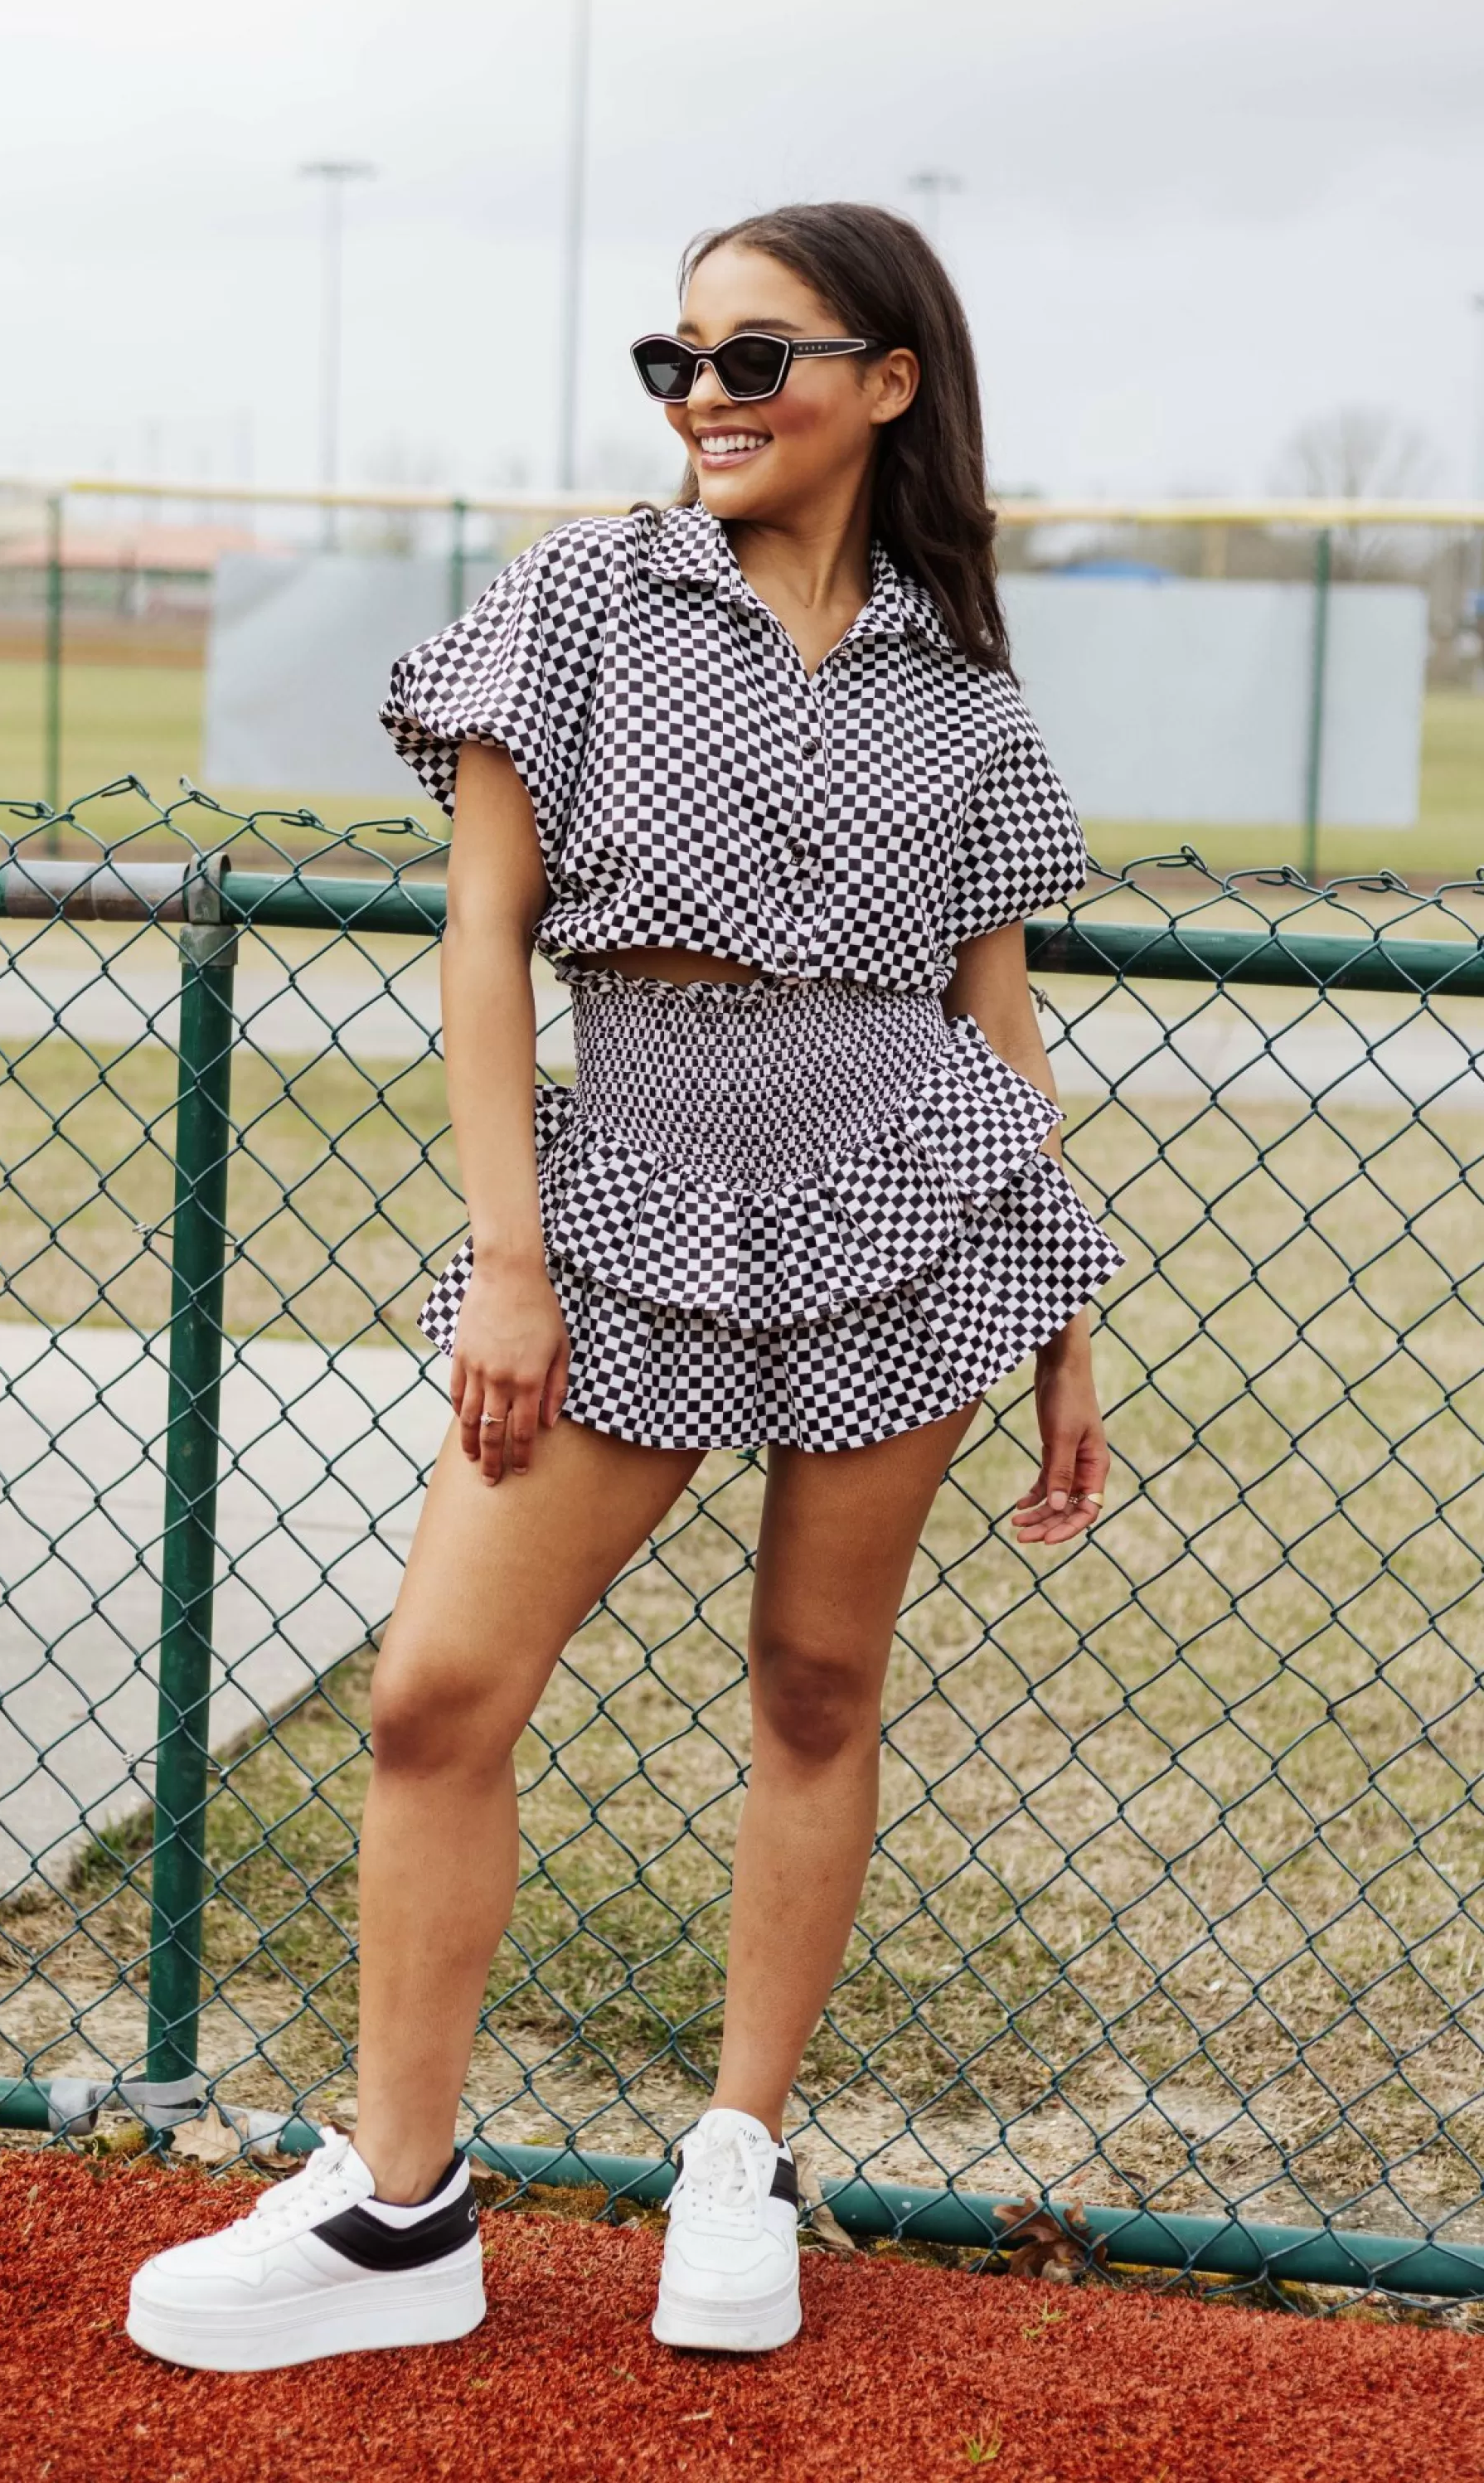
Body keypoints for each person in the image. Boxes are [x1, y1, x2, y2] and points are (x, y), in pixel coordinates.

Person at [126, 199, 1123, 2374]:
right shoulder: (580, 592)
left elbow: (996, 1006)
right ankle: (403, 2209)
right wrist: (511, 1251)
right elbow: (484, 936)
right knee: (434, 1694)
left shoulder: (963, 673)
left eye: (755, 358)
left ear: (887, 384)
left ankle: (739, 2154)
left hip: (911, 1183)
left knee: (812, 1684)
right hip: (626, 1175)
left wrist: (1061, 1313)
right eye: (674, 359)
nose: (704, 400)